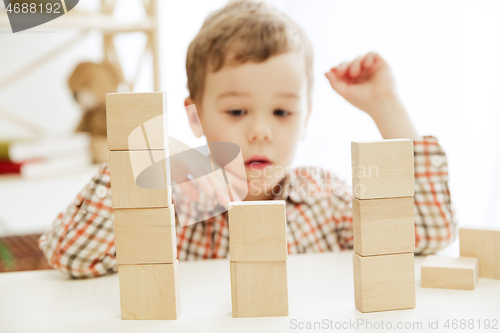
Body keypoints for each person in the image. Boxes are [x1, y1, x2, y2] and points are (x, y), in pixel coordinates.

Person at [39, 0, 456, 278]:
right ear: (195, 117)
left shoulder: (325, 203)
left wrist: (387, 108)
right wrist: (139, 161)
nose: (261, 130)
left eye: (282, 112)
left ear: (306, 118)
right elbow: (69, 253)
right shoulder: (173, 207)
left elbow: (428, 234)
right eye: (237, 111)